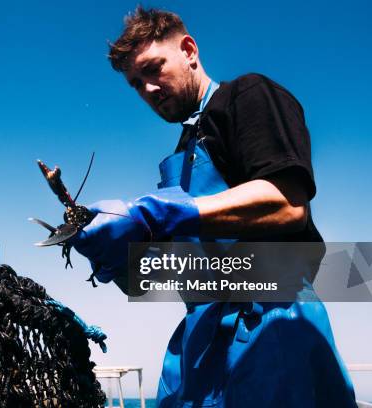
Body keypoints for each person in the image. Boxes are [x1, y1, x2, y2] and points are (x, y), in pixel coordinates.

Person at [71, 7, 357, 408]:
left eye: (153, 69)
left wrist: (158, 212)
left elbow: (288, 203)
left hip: (274, 322)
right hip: (201, 339)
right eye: (136, 84)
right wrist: (117, 262)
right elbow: (177, 278)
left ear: (188, 50)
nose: (148, 90)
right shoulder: (180, 156)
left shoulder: (247, 95)